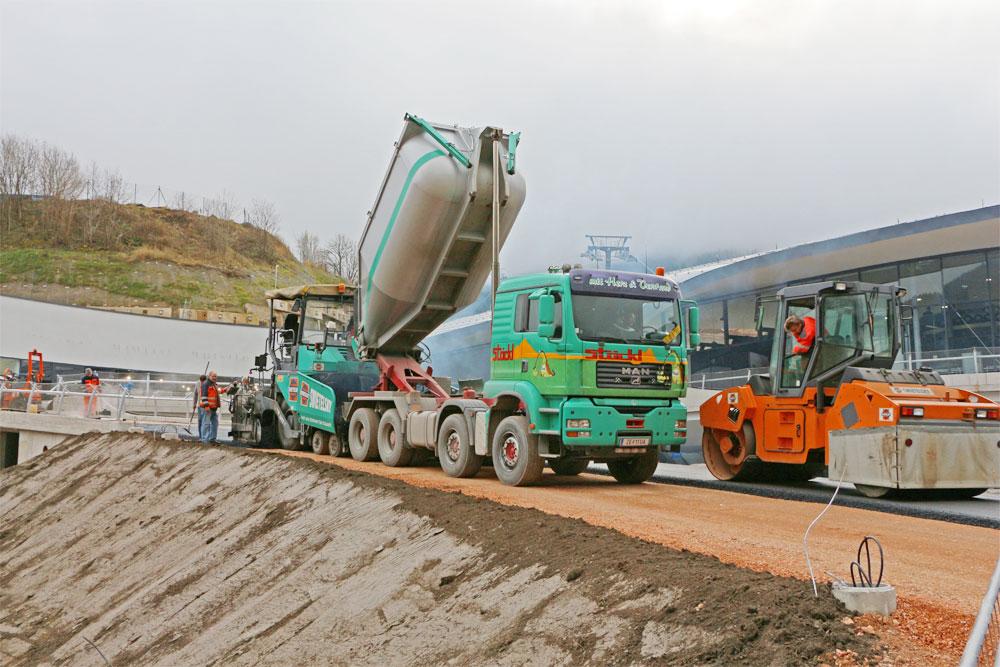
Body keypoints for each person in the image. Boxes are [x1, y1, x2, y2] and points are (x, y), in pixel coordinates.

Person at [199, 371, 233, 444]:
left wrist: (225, 389)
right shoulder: (206, 384)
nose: (214, 378)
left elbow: (218, 391)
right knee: (206, 424)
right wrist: (206, 406)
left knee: (215, 423)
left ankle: (212, 438)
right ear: (209, 376)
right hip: (207, 408)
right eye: (213, 376)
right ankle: (205, 440)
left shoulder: (214, 384)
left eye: (215, 376)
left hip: (213, 408)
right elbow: (203, 396)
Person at [194, 374, 207, 439]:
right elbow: (195, 394)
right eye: (201, 381)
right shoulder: (197, 383)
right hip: (200, 406)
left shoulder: (208, 384)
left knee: (206, 422)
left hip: (207, 406)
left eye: (203, 381)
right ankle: (201, 436)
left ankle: (205, 436)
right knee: (200, 421)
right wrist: (194, 404)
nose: (202, 383)